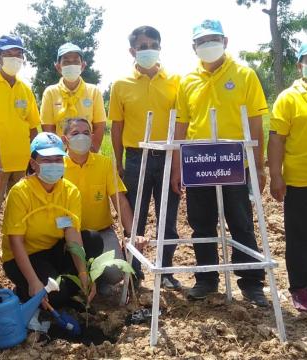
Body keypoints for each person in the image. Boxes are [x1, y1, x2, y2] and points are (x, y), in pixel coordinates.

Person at [171, 19, 268, 306]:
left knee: (241, 222)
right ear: (194, 47)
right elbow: (181, 125)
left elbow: (255, 122)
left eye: (213, 39)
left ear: (225, 41)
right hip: (198, 164)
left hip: (234, 163)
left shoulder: (244, 75)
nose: (208, 45)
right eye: (202, 41)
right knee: (201, 224)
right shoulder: (186, 81)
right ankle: (206, 278)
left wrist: (259, 166)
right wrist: (177, 167)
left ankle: (251, 283)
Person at [109, 26, 181, 290]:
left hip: (167, 156)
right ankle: (134, 271)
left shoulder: (176, 81)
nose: (147, 49)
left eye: (152, 44)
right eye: (142, 46)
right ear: (132, 51)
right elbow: (116, 127)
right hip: (136, 159)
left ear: (160, 47)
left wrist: (177, 166)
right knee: (134, 219)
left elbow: (181, 124)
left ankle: (166, 271)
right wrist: (118, 161)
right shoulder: (120, 85)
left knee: (168, 218)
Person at [2, 132, 103, 308]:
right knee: (56, 296)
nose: (54, 164)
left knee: (92, 239)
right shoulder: (21, 192)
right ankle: (26, 290)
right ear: (34, 164)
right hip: (25, 256)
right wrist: (33, 281)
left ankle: (63, 289)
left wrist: (83, 273)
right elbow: (15, 241)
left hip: (52, 250)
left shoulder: (70, 191)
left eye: (58, 159)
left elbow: (72, 234)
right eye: (47, 160)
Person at [62, 117, 144, 295]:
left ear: (92, 137)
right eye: (75, 133)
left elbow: (120, 200)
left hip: (102, 231)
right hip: (68, 235)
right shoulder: (58, 167)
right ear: (64, 139)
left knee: (115, 273)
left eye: (85, 133)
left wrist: (132, 233)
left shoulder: (104, 164)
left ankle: (99, 280)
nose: (81, 137)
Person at [268, 43, 307, 314]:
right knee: (301, 237)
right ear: (300, 65)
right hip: (301, 182)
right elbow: (276, 139)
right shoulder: (289, 98)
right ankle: (300, 289)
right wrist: (276, 175)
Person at [0, 34, 40, 258]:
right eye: (9, 54)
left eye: (18, 54)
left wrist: (36, 161)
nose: (14, 58)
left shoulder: (25, 89)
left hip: (23, 166)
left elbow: (34, 127)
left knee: (24, 218)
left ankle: (21, 262)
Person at [41, 42, 106, 152]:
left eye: (76, 61)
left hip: (88, 152)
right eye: (66, 62)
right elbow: (48, 128)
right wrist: (58, 153)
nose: (71, 65)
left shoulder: (93, 91)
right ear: (58, 67)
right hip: (61, 154)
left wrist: (92, 150)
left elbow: (99, 125)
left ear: (83, 66)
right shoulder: (50, 92)